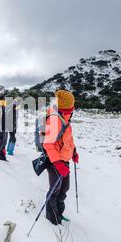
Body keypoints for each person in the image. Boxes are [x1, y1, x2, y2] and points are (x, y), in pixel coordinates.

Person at [42, 90, 79, 225]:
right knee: (55, 190)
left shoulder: (66, 118)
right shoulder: (55, 120)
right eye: (71, 105)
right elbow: (48, 144)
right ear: (66, 107)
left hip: (65, 160)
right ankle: (52, 219)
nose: (73, 108)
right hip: (55, 161)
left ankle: (59, 214)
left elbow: (68, 138)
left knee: (64, 189)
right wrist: (57, 163)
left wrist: (73, 151)